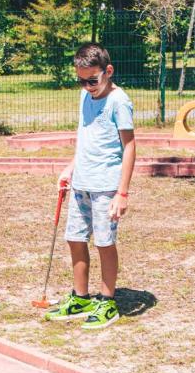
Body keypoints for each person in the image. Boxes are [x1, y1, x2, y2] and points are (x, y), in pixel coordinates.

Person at [44, 43, 136, 329]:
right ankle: (80, 297)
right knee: (74, 238)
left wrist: (122, 193)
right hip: (81, 183)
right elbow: (86, 137)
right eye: (81, 80)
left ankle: (107, 301)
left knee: (104, 242)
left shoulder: (119, 101)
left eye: (92, 80)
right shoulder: (85, 96)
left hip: (106, 186)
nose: (86, 86)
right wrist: (71, 168)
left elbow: (130, 146)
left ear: (108, 71)